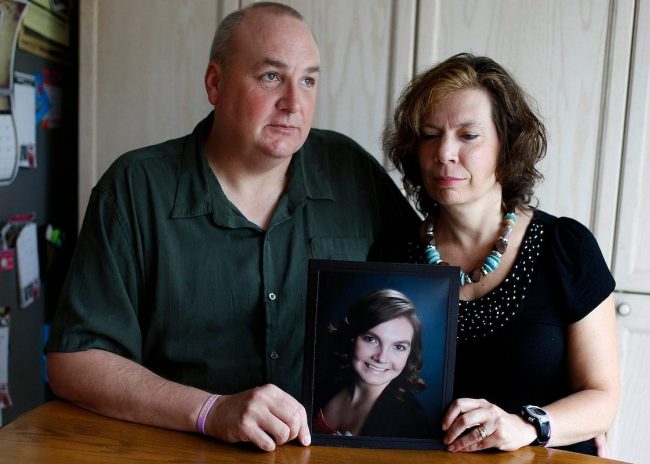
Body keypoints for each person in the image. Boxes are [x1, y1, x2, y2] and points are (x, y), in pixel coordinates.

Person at [44, 2, 419, 453]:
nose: (294, 104)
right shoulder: (135, 188)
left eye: (308, 80)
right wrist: (209, 411)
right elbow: (74, 361)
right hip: (173, 452)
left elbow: (438, 282)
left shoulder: (350, 172)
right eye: (270, 77)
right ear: (215, 83)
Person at [381, 53, 620, 456]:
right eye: (429, 134)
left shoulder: (565, 247)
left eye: (468, 135)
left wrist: (527, 426)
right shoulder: (391, 253)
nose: (444, 153)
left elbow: (603, 399)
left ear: (506, 145)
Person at [313, 289, 435, 439]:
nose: (381, 358)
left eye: (398, 347)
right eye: (371, 339)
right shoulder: (328, 381)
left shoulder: (410, 420)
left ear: (410, 354)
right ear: (352, 336)